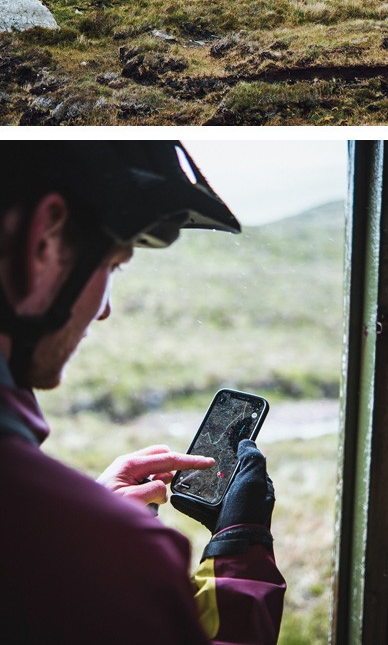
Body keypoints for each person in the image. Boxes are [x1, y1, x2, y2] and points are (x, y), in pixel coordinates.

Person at [0, 142, 284, 645]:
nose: (103, 311)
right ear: (42, 242)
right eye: (112, 265)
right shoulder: (115, 554)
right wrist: (241, 550)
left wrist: (82, 519)